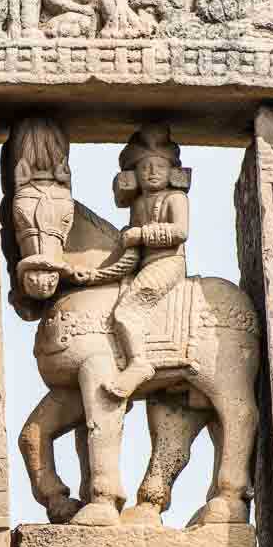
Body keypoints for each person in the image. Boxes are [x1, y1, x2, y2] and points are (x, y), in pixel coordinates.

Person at [104, 125, 191, 399]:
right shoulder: (139, 204)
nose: (152, 172)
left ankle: (139, 362)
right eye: (144, 168)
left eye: (159, 167)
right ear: (133, 176)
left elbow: (180, 232)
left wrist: (141, 234)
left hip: (167, 263)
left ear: (172, 172)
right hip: (142, 264)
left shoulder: (175, 198)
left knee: (126, 311)